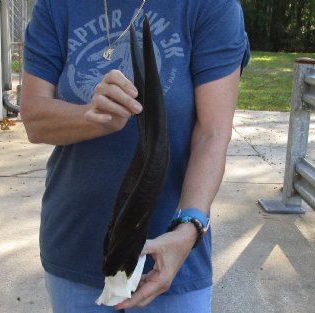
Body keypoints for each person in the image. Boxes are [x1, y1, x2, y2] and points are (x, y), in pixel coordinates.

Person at [20, 0, 250, 312]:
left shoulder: (210, 6)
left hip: (170, 257)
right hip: (74, 250)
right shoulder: (57, 6)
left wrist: (188, 228)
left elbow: (213, 133)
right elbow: (34, 119)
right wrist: (90, 115)